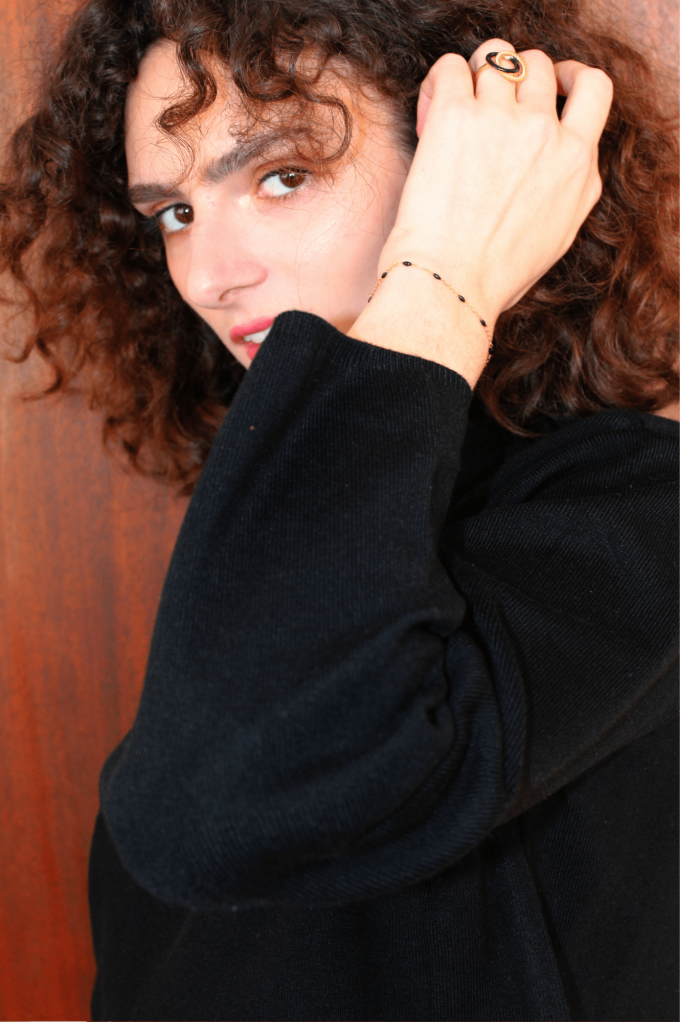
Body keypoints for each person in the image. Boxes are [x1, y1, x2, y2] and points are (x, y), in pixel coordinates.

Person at [1, 0, 677, 1019]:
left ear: (462, 168)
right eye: (173, 212)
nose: (209, 274)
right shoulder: (285, 513)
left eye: (282, 176)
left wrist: (443, 278)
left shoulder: (632, 510)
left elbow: (214, 813)